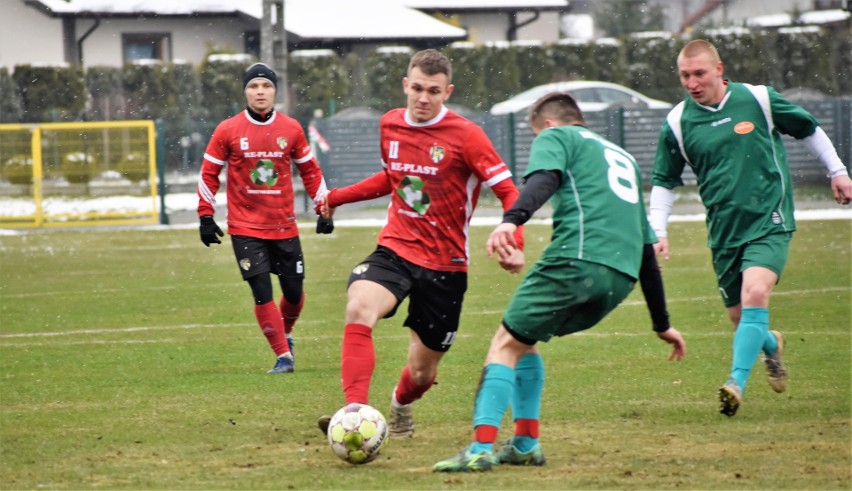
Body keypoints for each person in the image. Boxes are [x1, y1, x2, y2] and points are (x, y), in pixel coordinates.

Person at [433, 92, 686, 472]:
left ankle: (480, 449)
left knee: (503, 344)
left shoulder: (557, 137)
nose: (540, 143)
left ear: (548, 125)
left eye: (537, 136)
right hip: (620, 278)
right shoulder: (624, 159)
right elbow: (648, 250)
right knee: (524, 341)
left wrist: (511, 219)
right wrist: (661, 323)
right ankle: (525, 443)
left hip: (576, 261)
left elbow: (544, 180)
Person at [316, 49, 526, 438]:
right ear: (405, 86)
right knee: (360, 306)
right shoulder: (390, 125)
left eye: (433, 90)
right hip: (395, 249)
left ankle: (399, 404)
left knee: (421, 373)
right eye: (416, 88)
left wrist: (515, 236)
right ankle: (354, 412)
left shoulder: (467, 136)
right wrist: (337, 196)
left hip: (445, 266)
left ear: (447, 91)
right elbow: (391, 178)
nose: (423, 98)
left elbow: (509, 190)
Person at [649, 39, 852, 417]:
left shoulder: (757, 99)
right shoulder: (678, 122)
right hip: (724, 231)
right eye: (685, 76)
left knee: (756, 292)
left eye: (699, 74)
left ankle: (735, 384)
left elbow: (808, 128)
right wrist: (657, 230)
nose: (692, 82)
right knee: (741, 318)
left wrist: (837, 171)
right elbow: (664, 181)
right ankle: (771, 347)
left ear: (719, 70)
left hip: (768, 219)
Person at [197, 62, 331, 374]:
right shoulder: (228, 129)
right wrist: (206, 215)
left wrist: (323, 207)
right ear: (245, 92)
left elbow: (310, 171)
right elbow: (209, 173)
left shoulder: (291, 128)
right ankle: (284, 357)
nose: (260, 91)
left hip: (284, 226)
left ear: (275, 92)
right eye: (254, 86)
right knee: (262, 293)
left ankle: (286, 333)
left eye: (266, 86)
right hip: (245, 228)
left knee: (295, 294)